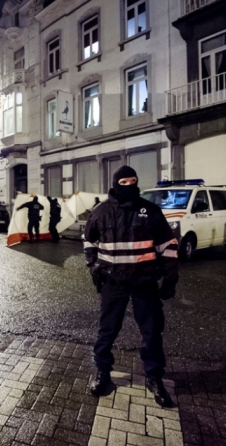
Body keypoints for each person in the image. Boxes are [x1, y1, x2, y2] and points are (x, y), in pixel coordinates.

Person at [83, 166, 179, 407]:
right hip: (113, 283)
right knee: (107, 331)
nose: (129, 186)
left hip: (144, 283)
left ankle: (154, 377)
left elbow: (168, 244)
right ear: (116, 184)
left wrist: (170, 279)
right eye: (124, 182)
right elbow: (88, 239)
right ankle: (102, 373)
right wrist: (94, 265)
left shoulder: (150, 211)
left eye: (133, 181)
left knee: (151, 332)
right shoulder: (101, 211)